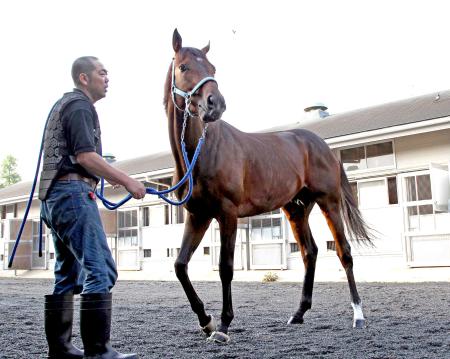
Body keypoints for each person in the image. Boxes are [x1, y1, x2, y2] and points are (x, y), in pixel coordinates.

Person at [39, 56, 146, 359]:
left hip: (53, 198)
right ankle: (98, 352)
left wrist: (101, 174)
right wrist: (128, 181)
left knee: (67, 275)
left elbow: (76, 158)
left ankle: (60, 350)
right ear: (84, 78)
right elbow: (86, 157)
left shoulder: (64, 105)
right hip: (72, 194)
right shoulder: (80, 106)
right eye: (102, 72)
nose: (107, 77)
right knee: (101, 270)